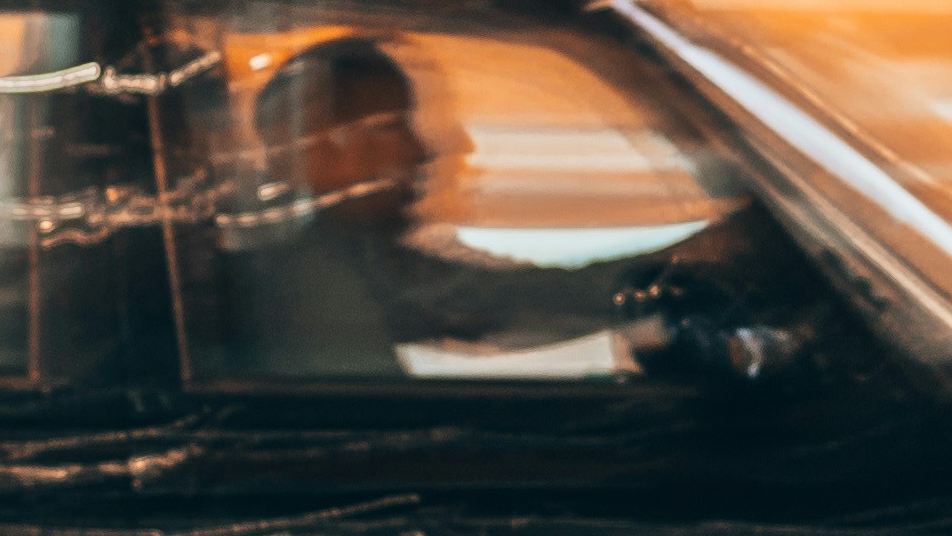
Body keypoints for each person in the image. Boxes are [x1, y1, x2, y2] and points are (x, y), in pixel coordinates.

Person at [225, 34, 769, 380]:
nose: (429, 148)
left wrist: (696, 257)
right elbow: (503, 307)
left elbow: (505, 299)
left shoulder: (354, 261)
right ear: (316, 147)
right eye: (391, 127)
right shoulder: (313, 285)